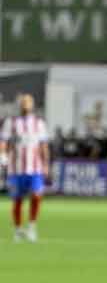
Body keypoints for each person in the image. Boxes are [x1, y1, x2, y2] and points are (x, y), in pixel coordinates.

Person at [0, 94, 49, 242]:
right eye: (23, 102)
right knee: (18, 201)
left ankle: (32, 226)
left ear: (32, 105)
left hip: (35, 168)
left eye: (28, 102)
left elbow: (43, 145)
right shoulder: (11, 122)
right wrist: (2, 155)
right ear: (20, 105)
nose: (26, 105)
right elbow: (4, 141)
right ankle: (17, 229)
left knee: (36, 195)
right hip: (16, 169)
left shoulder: (39, 123)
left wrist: (46, 163)